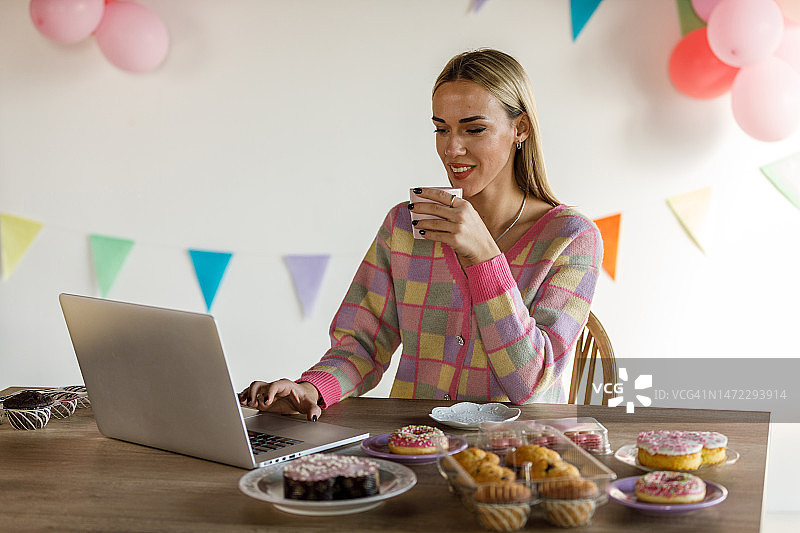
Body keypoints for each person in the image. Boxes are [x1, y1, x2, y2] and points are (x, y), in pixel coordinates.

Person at [239, 49, 603, 421]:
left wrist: (484, 259)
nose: (452, 148)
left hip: (516, 456)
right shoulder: (405, 225)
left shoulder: (572, 238)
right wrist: (312, 389)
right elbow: (361, 344)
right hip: (414, 443)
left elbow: (531, 382)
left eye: (474, 129)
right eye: (441, 128)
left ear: (520, 129)